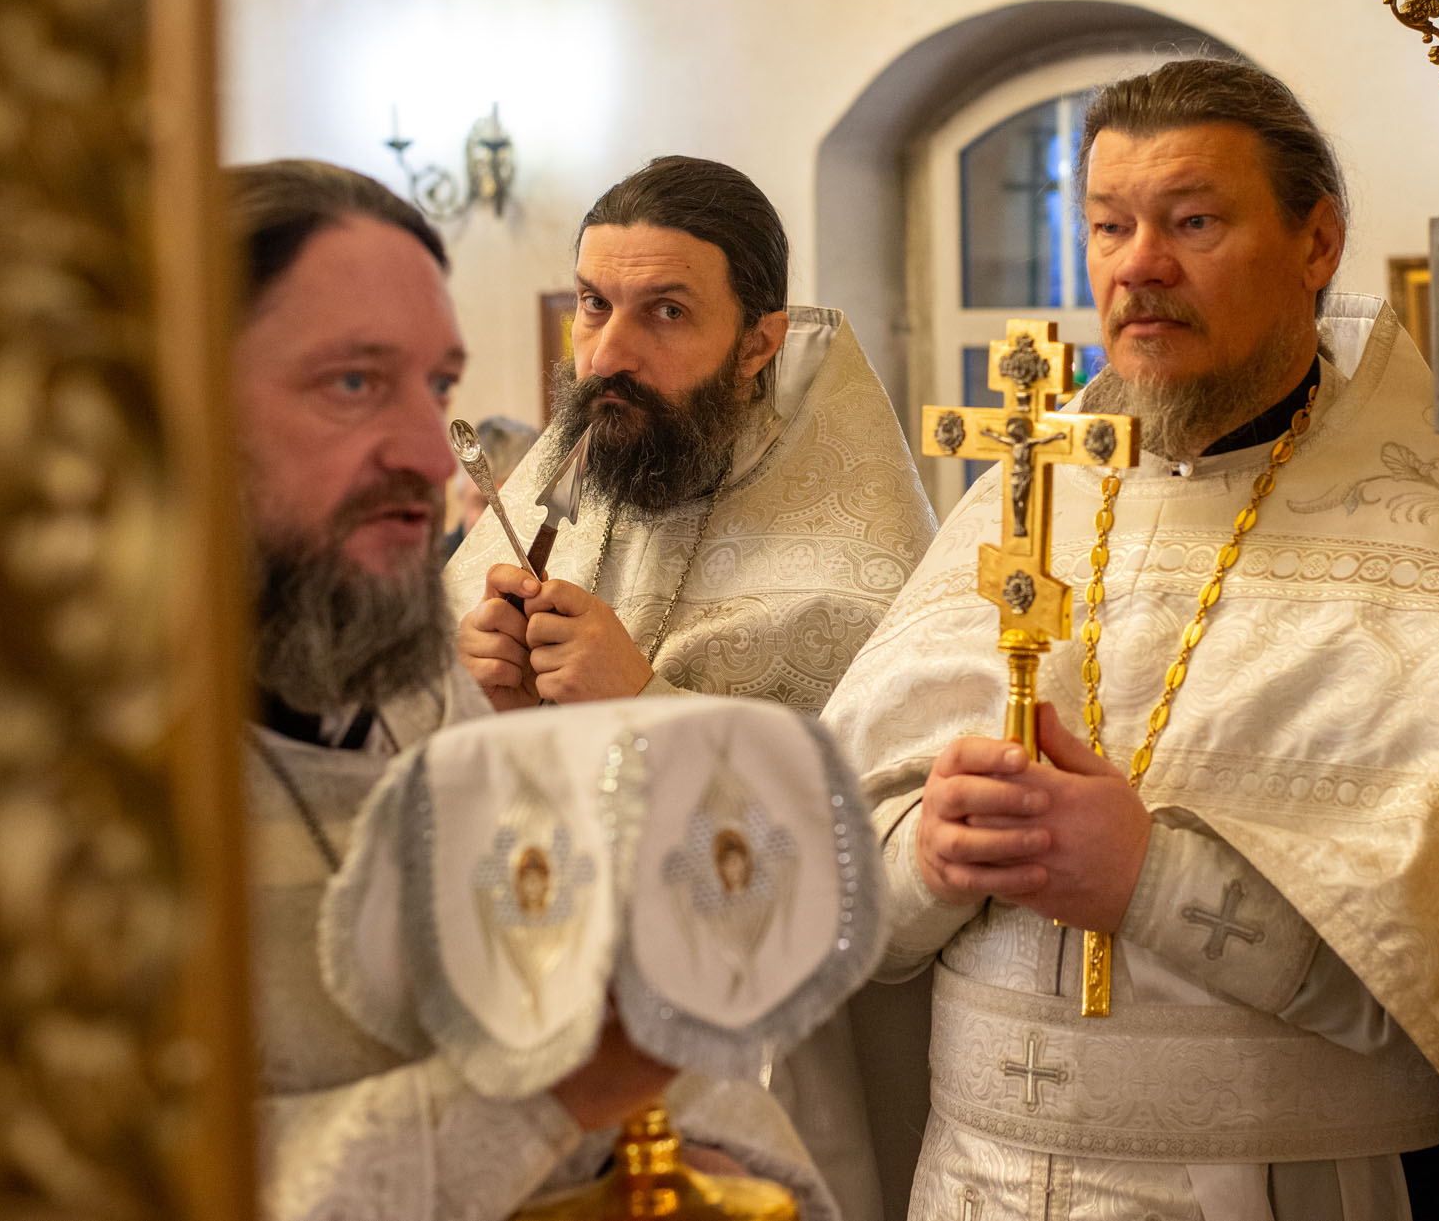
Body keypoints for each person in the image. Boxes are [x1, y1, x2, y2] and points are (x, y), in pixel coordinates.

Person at [822, 58, 1439, 1220]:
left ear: (1317, 244)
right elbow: (832, 896)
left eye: (1193, 222)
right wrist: (929, 861)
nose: (1140, 266)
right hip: (976, 1181)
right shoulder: (1024, 491)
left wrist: (1150, 878)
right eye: (1110, 226)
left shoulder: (1435, 530)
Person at [231, 158, 834, 1221]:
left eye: (437, 387)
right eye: (354, 383)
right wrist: (557, 1100)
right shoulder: (57, 785)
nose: (433, 458)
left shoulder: (412, 692)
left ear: (761, 343)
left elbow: (641, 1036)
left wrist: (735, 1163)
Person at [446, 155, 937, 1221]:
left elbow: (880, 862)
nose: (608, 354)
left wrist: (645, 708)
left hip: (752, 1066)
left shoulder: (857, 568)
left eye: (665, 313)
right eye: (593, 305)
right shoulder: (561, 494)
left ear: (759, 342)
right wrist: (482, 702)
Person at [440, 414, 540, 559]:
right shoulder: (432, 567)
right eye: (484, 504)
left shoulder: (555, 562)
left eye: (512, 508)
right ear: (462, 494)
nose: (497, 525)